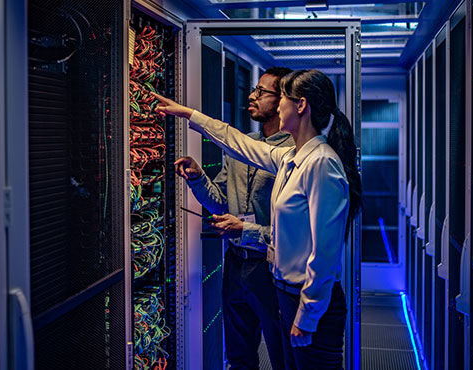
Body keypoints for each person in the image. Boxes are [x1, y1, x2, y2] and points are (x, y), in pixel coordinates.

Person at [154, 69, 362, 370]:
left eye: (283, 100)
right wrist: (188, 114)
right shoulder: (291, 159)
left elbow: (326, 254)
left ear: (300, 105)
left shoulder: (321, 164)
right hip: (287, 293)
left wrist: (307, 317)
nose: (278, 107)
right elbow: (237, 143)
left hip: (307, 301)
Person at [175, 67, 294, 370]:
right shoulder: (240, 148)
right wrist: (198, 178)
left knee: (284, 355)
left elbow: (296, 233)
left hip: (271, 268)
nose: (252, 96)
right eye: (254, 89)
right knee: (239, 357)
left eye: (262, 91)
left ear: (282, 101)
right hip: (236, 264)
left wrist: (246, 229)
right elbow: (219, 204)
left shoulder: (294, 153)